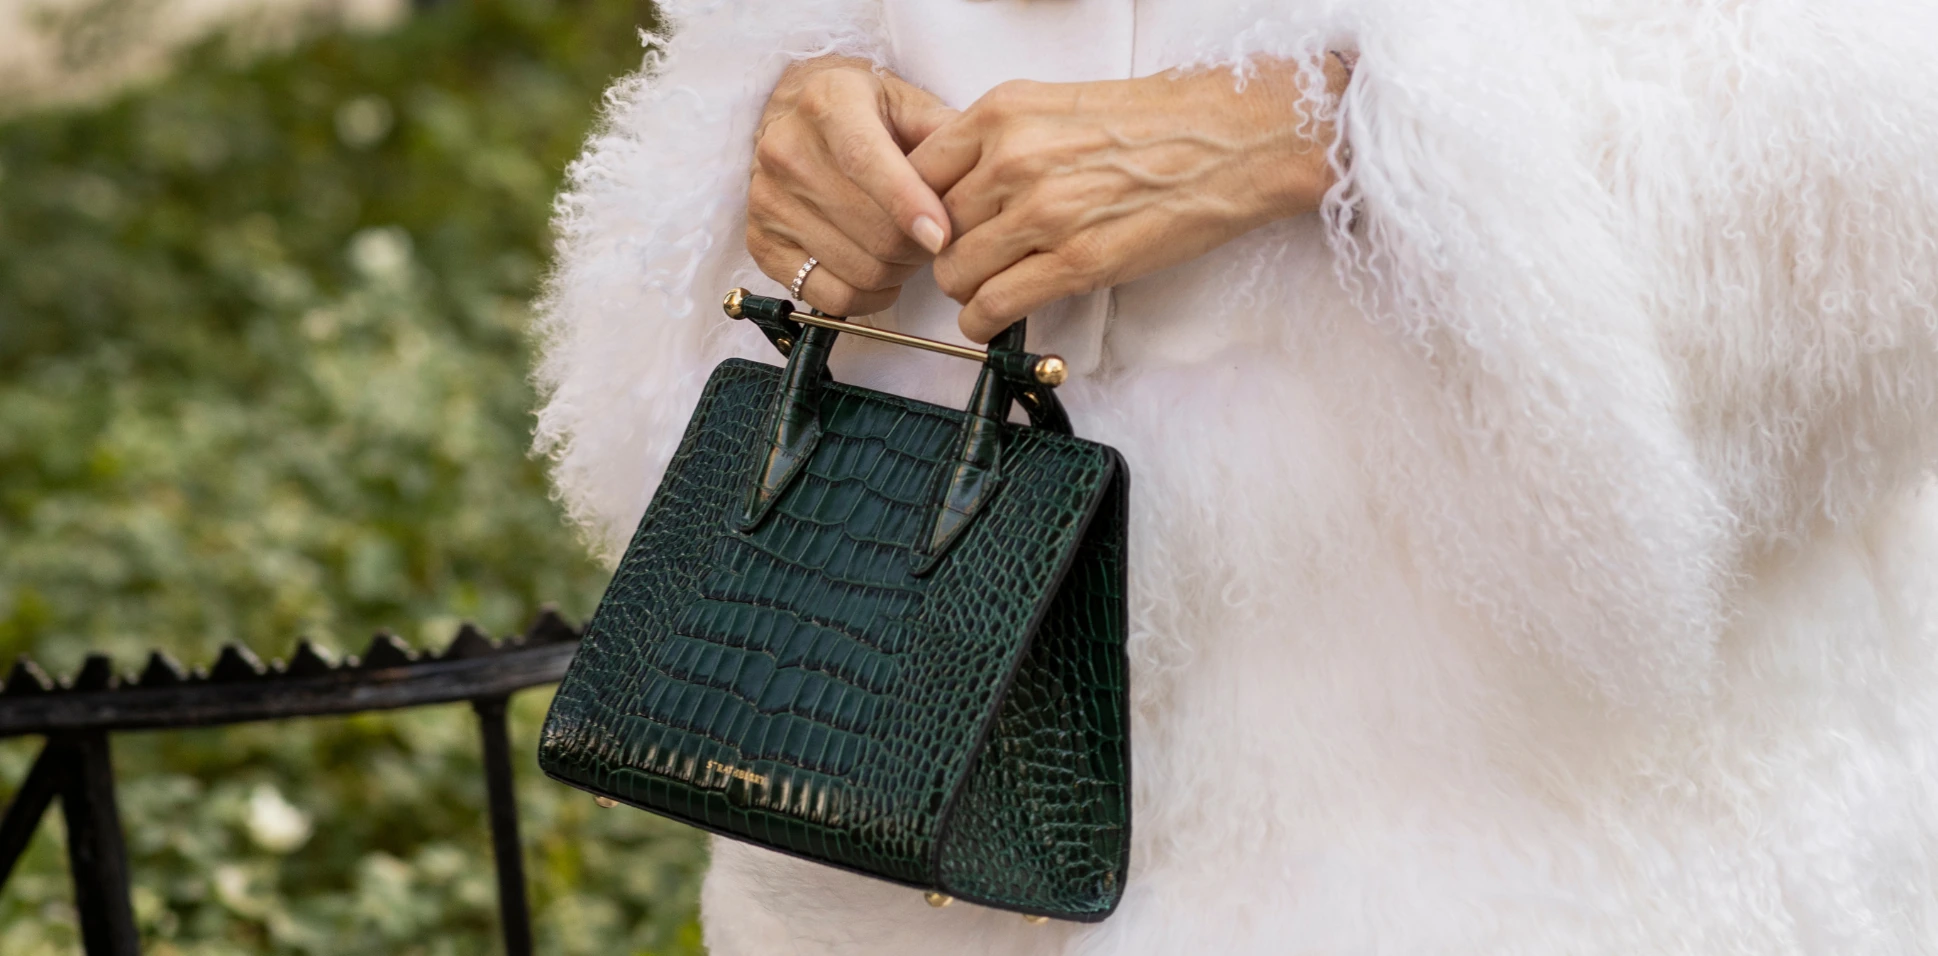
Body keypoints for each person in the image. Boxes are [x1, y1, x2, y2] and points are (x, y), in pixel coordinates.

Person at [531, 0, 1938, 952]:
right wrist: (788, 115)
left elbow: (1872, 152)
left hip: (1494, 809)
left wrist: (1322, 123)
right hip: (903, 773)